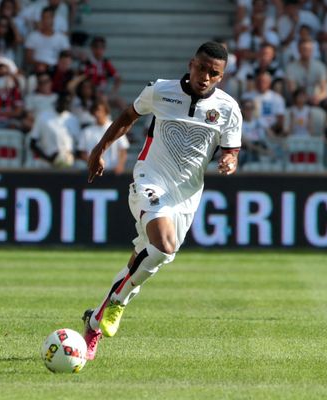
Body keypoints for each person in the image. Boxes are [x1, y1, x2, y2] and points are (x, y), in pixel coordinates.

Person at [80, 41, 242, 360]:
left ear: (221, 77)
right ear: (190, 63)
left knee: (153, 255)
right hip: (150, 179)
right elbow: (129, 115)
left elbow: (231, 150)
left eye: (214, 73)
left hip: (186, 197)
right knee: (163, 245)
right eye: (201, 68)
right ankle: (119, 304)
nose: (206, 77)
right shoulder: (161, 90)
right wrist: (100, 149)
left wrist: (230, 162)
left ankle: (96, 320)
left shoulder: (229, 109)